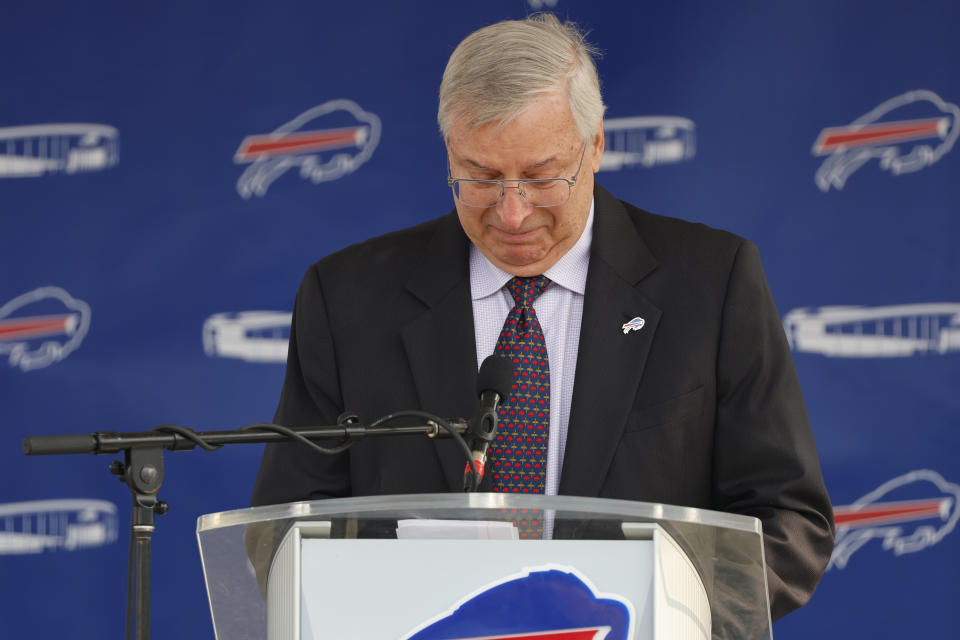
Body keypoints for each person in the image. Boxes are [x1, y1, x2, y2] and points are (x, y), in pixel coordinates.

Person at [250, 13, 834, 622]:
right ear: (449, 151)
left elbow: (790, 524)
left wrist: (657, 619)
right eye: (481, 176)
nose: (511, 211)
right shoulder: (348, 297)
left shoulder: (711, 285)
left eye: (540, 175)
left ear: (597, 146)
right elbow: (286, 531)